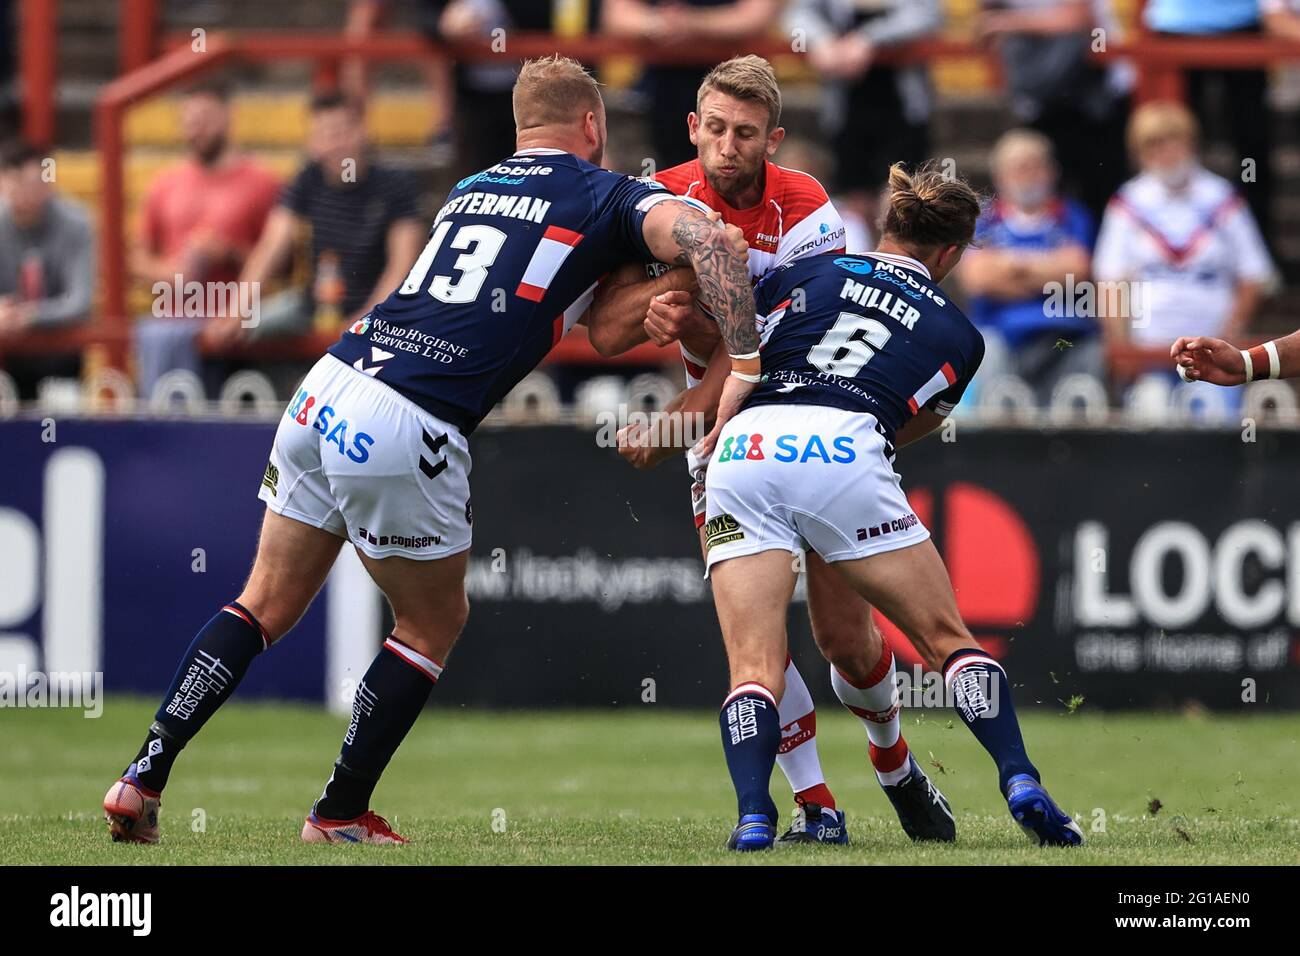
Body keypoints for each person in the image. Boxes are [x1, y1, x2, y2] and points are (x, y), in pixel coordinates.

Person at [101, 56, 759, 846]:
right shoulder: (608, 193)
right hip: (413, 412)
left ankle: (142, 775)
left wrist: (654, 292)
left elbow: (594, 316)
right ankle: (338, 812)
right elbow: (714, 243)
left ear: (522, 128)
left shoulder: (469, 188)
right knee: (432, 620)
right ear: (594, 127)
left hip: (330, 383)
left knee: (261, 603)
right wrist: (742, 362)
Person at [594, 56, 955, 846]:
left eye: (746, 133)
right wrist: (659, 301)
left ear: (774, 139)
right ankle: (816, 804)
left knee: (845, 639)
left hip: (803, 420)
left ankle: (892, 761)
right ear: (692, 127)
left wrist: (679, 420)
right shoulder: (658, 200)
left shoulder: (808, 211)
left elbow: (785, 340)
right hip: (724, 445)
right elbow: (606, 326)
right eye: (715, 129)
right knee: (754, 642)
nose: (727, 145)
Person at [699, 162, 1083, 851]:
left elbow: (740, 348)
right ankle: (1019, 775)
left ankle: (756, 815)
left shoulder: (804, 276)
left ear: (886, 226)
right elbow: (912, 421)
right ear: (953, 253)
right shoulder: (961, 337)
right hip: (844, 449)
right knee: (947, 641)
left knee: (754, 667)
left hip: (746, 446)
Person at [207, 91, 424, 353]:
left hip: (382, 314)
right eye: (325, 135)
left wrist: (367, 319)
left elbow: (402, 266)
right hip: (313, 307)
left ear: (363, 131)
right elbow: (271, 247)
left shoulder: (395, 185)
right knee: (234, 336)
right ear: (312, 144)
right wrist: (237, 311)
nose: (336, 144)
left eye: (343, 131)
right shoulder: (308, 179)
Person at [130, 81, 281, 398]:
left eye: (204, 119)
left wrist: (229, 254)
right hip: (173, 318)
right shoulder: (164, 185)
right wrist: (172, 272)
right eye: (188, 121)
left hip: (241, 325)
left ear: (227, 117)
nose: (195, 129)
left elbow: (283, 267)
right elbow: (137, 258)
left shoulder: (263, 183)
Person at [1092, 102, 1273, 358]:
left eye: (1174, 142)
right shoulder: (1127, 202)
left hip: (1213, 347)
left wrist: (1230, 336)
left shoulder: (1223, 198)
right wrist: (1124, 350)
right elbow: (1110, 279)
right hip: (1150, 347)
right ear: (1138, 153)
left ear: (1192, 144)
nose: (1166, 154)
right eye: (1154, 145)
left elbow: (1254, 273)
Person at [960, 128, 1100, 405]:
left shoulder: (1073, 215)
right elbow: (977, 279)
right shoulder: (983, 220)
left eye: (1036, 166)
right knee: (985, 350)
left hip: (1067, 337)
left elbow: (1078, 271)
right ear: (1000, 176)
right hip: (1003, 336)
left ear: (1052, 171)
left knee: (1095, 353)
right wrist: (1049, 272)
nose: (1028, 175)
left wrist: (1010, 268)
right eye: (1019, 168)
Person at [602, 0, 786, 170]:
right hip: (657, 100)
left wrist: (692, 25)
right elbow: (618, 17)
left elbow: (755, 18)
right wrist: (661, 25)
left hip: (742, 98)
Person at [0, 139, 95, 397]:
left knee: (58, 427)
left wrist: (31, 315)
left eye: (35, 181)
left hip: (61, 357)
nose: (25, 190)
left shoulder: (77, 224)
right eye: (16, 180)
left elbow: (80, 302)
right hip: (5, 355)